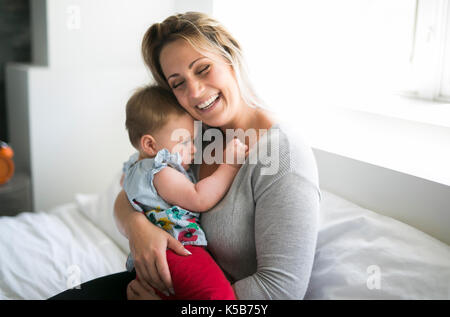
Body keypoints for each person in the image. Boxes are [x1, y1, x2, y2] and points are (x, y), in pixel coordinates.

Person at [49, 11, 321, 300]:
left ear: (230, 57)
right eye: (178, 83)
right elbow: (131, 188)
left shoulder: (282, 154)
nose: (195, 91)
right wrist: (138, 229)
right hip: (155, 283)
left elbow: (280, 291)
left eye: (203, 68)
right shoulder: (194, 135)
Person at [121, 84, 245, 299]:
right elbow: (198, 197)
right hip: (178, 249)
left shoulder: (133, 167)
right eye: (184, 142)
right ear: (150, 145)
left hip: (155, 259)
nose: (194, 149)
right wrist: (230, 166)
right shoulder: (160, 171)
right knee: (219, 295)